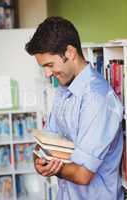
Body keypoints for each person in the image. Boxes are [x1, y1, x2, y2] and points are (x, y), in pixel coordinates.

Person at [25, 16, 124, 200]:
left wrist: (54, 168)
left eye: (50, 65)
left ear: (70, 52)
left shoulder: (97, 99)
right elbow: (45, 142)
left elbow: (82, 174)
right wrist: (39, 161)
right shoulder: (64, 89)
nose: (47, 73)